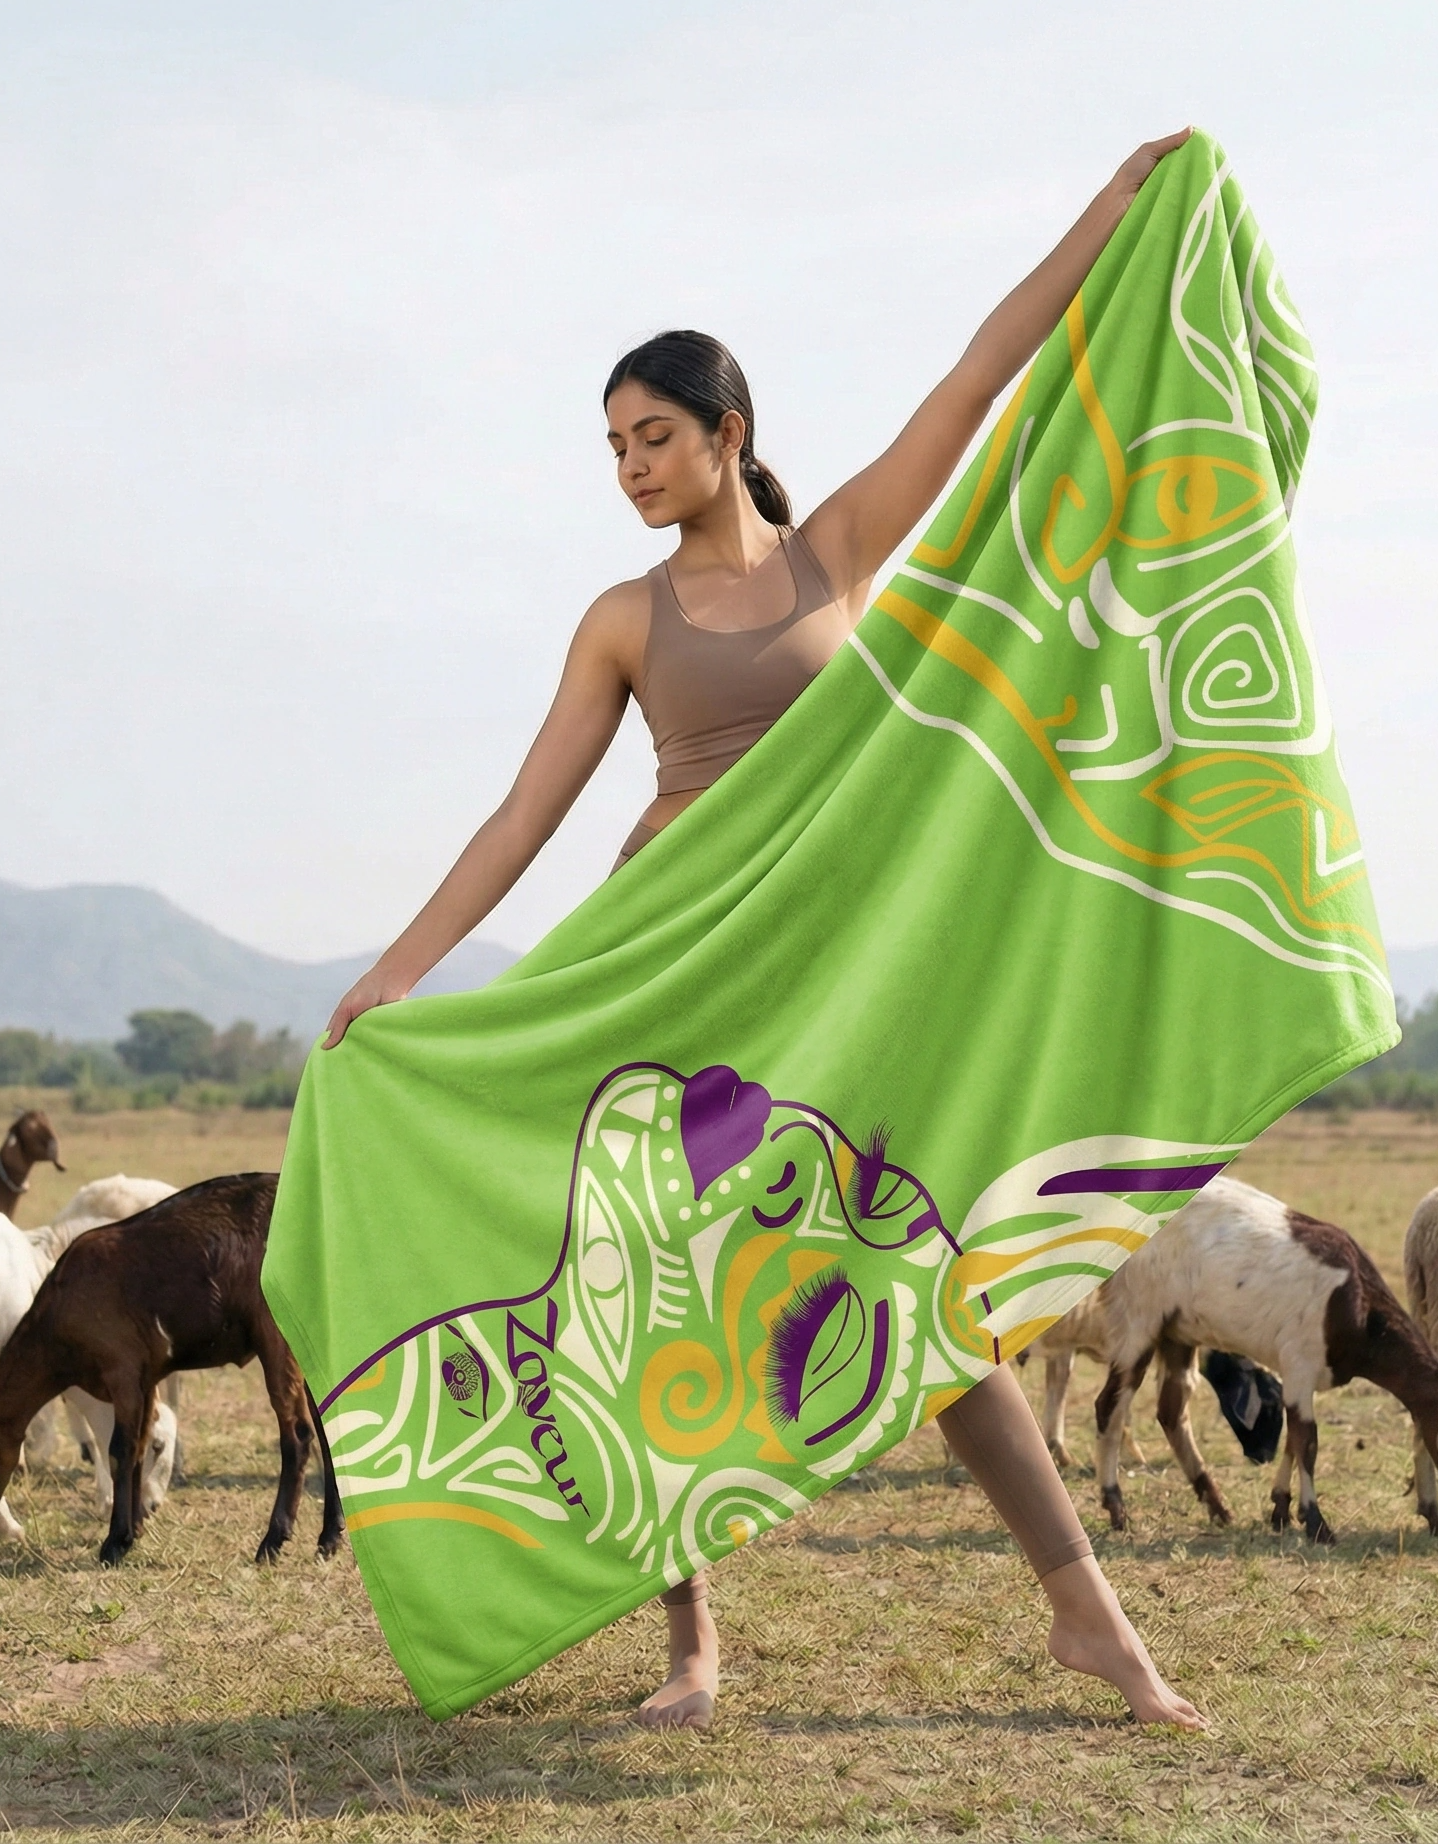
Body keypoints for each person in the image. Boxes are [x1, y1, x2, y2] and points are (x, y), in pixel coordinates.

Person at [322, 127, 1204, 1733]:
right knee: (639, 1299)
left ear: (731, 433)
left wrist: (1111, 208)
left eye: (653, 435)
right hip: (656, 976)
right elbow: (522, 818)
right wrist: (400, 971)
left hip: (819, 980)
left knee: (916, 1293)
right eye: (611, 448)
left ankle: (1091, 1623)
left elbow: (983, 372)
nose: (631, 465)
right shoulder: (620, 617)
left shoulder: (836, 554)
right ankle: (691, 1645)